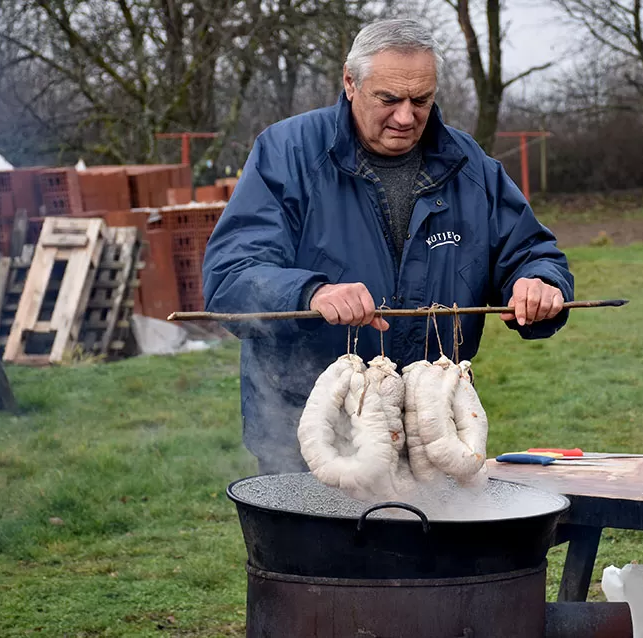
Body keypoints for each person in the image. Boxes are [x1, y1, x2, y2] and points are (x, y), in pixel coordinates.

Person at [202, 18, 575, 474]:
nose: (405, 117)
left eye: (421, 100)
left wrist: (538, 281)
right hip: (309, 435)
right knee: (315, 525)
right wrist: (310, 293)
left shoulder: (469, 166)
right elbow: (231, 276)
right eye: (389, 99)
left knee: (435, 526)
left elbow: (532, 251)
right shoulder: (287, 154)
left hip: (430, 431)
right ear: (350, 82)